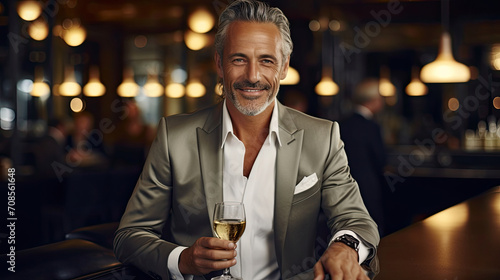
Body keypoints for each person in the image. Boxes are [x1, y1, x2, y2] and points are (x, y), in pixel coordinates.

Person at [113, 1, 379, 280]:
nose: (253, 76)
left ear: (284, 67)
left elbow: (357, 220)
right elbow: (129, 236)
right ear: (219, 63)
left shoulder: (322, 137)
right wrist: (183, 259)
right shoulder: (174, 136)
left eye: (266, 60)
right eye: (239, 59)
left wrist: (345, 246)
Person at [340, 79, 388, 236]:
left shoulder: (341, 123)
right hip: (367, 187)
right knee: (372, 232)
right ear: (373, 100)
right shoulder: (372, 126)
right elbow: (380, 160)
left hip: (343, 188)